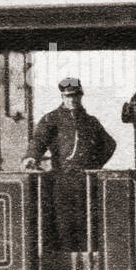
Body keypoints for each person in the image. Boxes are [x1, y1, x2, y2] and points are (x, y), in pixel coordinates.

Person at [22, 77, 116, 252]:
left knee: (87, 221)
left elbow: (109, 144)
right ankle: (66, 265)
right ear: (62, 97)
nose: (72, 100)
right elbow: (39, 140)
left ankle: (88, 264)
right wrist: (31, 157)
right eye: (67, 96)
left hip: (87, 181)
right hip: (62, 180)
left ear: (81, 96)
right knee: (63, 222)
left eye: (75, 96)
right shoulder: (52, 119)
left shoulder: (91, 121)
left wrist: (95, 164)